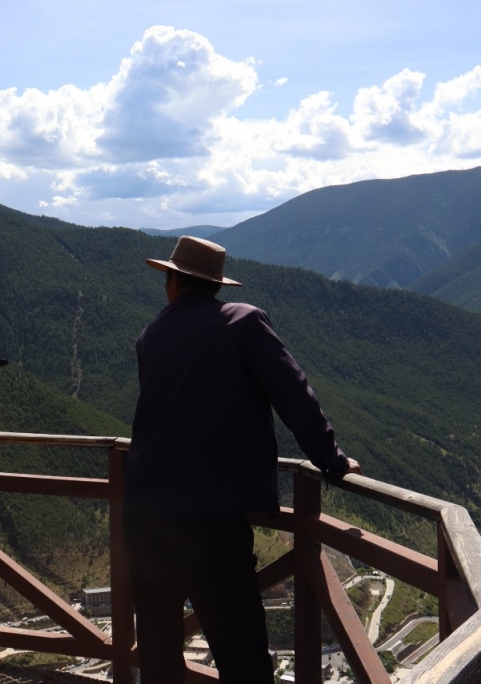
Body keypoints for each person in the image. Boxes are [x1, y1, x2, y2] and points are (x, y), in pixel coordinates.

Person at [124, 235, 360, 683]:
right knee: (241, 651)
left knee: (157, 647)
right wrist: (332, 460)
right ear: (216, 286)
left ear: (172, 281)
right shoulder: (244, 321)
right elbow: (295, 397)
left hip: (143, 511)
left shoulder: (151, 334)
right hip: (209, 516)